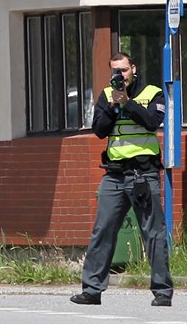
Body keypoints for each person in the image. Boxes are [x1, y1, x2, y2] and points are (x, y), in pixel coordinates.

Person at [70, 52, 173, 307]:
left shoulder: (152, 93)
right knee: (102, 231)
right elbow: (99, 130)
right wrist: (115, 106)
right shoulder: (107, 95)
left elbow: (151, 122)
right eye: (115, 71)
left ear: (133, 69)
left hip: (144, 174)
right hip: (114, 175)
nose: (120, 75)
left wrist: (126, 102)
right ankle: (92, 290)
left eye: (124, 70)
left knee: (154, 233)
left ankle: (162, 292)